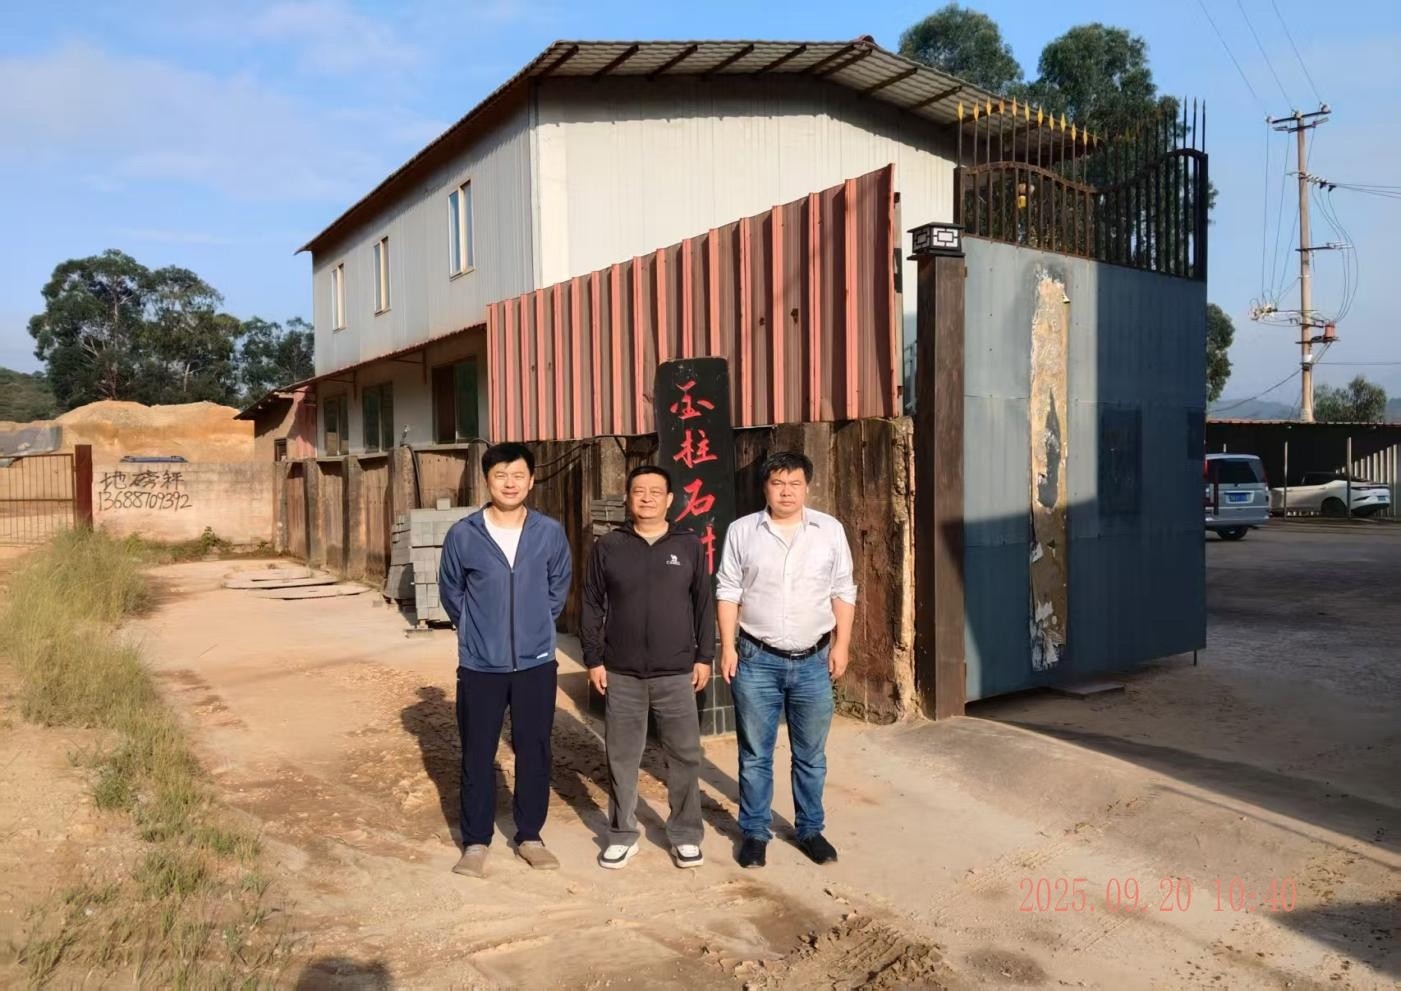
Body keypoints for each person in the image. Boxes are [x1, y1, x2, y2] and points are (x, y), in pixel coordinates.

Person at [717, 451, 857, 868]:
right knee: (755, 754)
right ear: (765, 487)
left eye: (795, 483)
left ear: (807, 487)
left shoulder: (829, 530)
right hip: (756, 658)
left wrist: (842, 644)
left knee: (810, 755)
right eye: (778, 483)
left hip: (814, 660)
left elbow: (843, 589)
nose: (786, 492)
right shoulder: (743, 531)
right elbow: (728, 589)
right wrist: (727, 646)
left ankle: (810, 829)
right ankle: (755, 832)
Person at [439, 442, 572, 878]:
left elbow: (557, 588)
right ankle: (475, 842)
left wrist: (535, 626)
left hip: (536, 663)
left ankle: (530, 836)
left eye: (518, 475)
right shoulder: (464, 534)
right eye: (500, 475)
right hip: (481, 665)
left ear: (531, 481)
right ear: (487, 480)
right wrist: (477, 629)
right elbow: (452, 592)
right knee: (478, 753)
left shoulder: (549, 532)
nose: (509, 483)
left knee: (534, 750)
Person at [582, 465, 715, 870]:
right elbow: (591, 604)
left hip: (676, 672)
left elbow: (703, 603)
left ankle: (685, 834)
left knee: (685, 755)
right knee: (622, 757)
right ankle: (622, 834)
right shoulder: (609, 546)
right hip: (621, 672)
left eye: (656, 492)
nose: (647, 498)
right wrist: (594, 659)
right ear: (628, 497)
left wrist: (704, 656)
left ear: (670, 499)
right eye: (639, 491)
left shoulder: (688, 545)